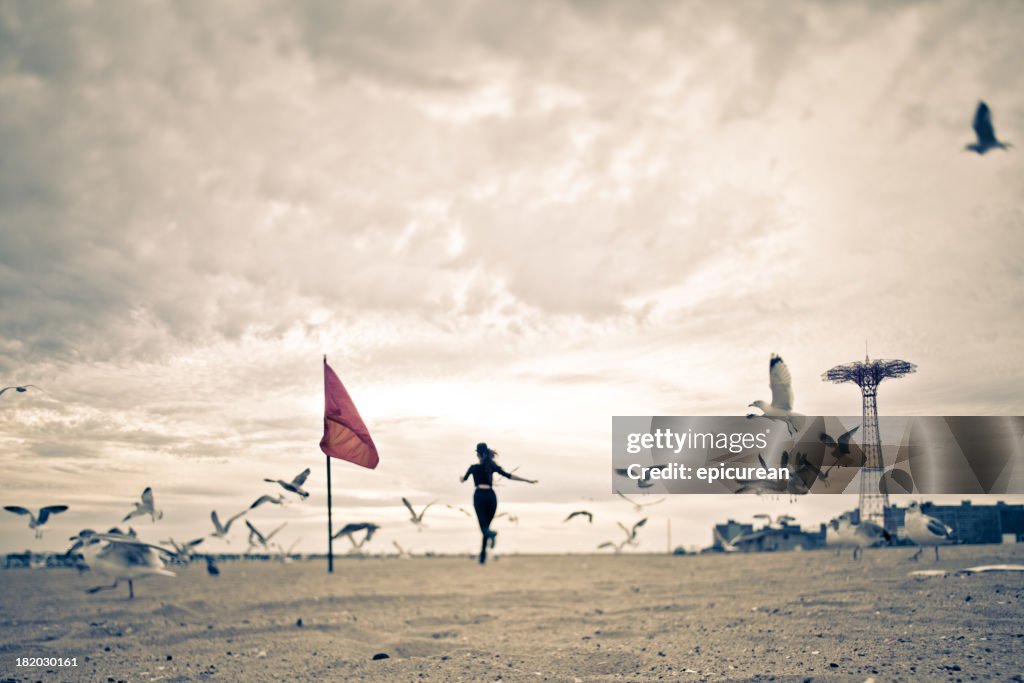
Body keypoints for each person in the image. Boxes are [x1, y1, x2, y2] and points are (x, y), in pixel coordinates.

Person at [460, 442, 537, 564]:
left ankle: (491, 535)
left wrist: (461, 479)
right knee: (486, 528)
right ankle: (482, 557)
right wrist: (527, 480)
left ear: (478, 454)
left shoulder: (473, 468)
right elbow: (509, 476)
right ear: (487, 453)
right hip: (491, 497)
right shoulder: (491, 466)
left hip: (479, 497)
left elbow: (463, 479)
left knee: (484, 528)